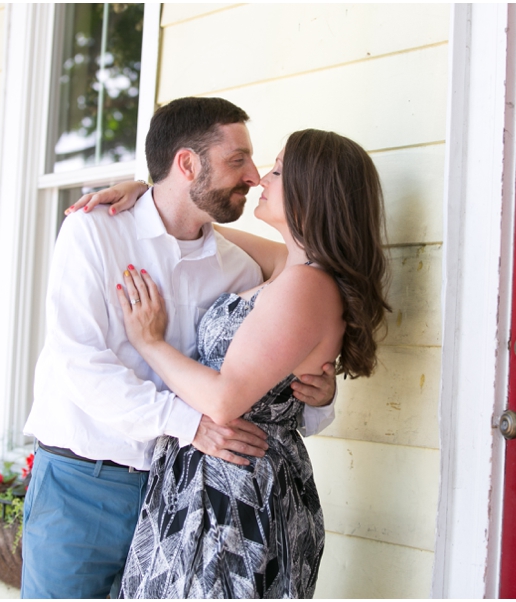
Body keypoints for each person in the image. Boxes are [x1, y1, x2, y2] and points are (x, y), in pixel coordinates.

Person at [21, 97, 338, 599]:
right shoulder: (95, 232)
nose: (254, 176)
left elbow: (307, 287)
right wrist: (189, 425)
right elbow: (78, 363)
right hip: (84, 485)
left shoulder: (237, 266)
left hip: (182, 500)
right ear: (187, 164)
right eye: (238, 160)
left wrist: (318, 394)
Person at [93, 129, 391, 598]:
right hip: (216, 484)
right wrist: (155, 199)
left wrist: (149, 342)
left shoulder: (306, 286)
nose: (260, 179)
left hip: (233, 496)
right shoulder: (292, 269)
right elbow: (208, 227)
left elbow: (224, 399)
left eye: (276, 170)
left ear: (310, 193)